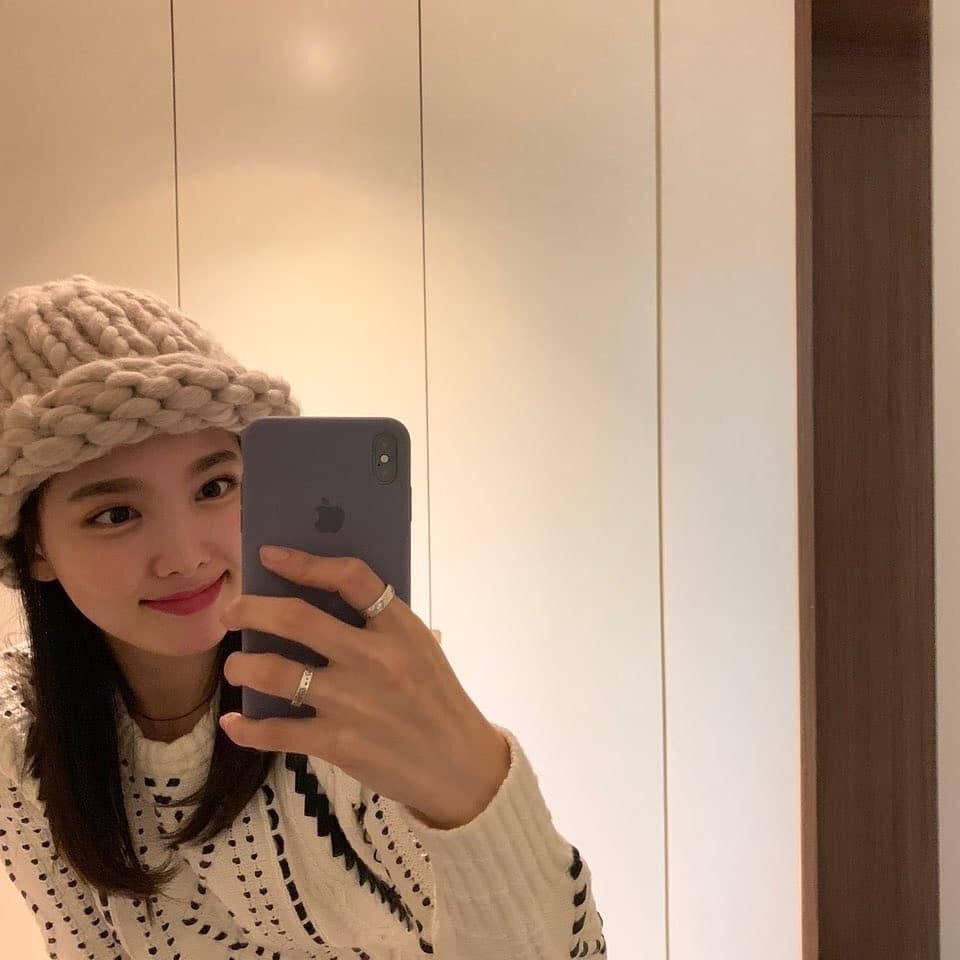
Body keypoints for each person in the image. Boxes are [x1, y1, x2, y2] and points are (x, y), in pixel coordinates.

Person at [0, 275, 607, 959]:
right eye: (116, 513)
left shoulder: (343, 695)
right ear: (36, 546)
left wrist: (477, 797)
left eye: (215, 486)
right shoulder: (19, 736)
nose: (186, 556)